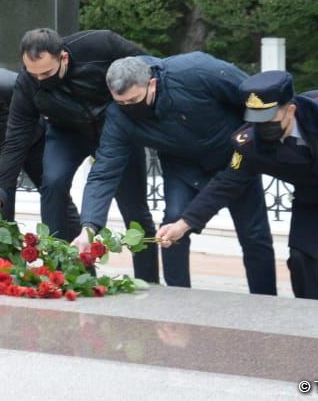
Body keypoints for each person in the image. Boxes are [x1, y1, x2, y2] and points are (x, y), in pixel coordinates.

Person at [157, 71, 318, 309]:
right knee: (300, 258)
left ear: (290, 109)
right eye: (256, 119)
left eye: (270, 118)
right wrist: (184, 224)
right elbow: (226, 184)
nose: (263, 126)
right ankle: (310, 315)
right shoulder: (247, 144)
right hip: (317, 199)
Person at [73, 54, 277, 295]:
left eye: (134, 100)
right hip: (182, 167)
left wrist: (253, 144)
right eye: (122, 103)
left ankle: (266, 301)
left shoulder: (197, 71)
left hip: (231, 159)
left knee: (254, 235)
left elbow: (250, 98)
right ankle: (178, 299)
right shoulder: (119, 117)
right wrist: (89, 228)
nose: (129, 108)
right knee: (171, 229)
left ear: (152, 83)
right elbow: (105, 171)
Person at [0, 28, 157, 283]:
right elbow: (15, 141)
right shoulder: (27, 84)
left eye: (46, 73)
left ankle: (149, 279)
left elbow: (149, 68)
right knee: (52, 184)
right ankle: (62, 272)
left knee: (134, 206)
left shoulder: (99, 45)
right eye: (34, 74)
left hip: (115, 130)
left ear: (63, 57)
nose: (40, 80)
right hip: (66, 133)